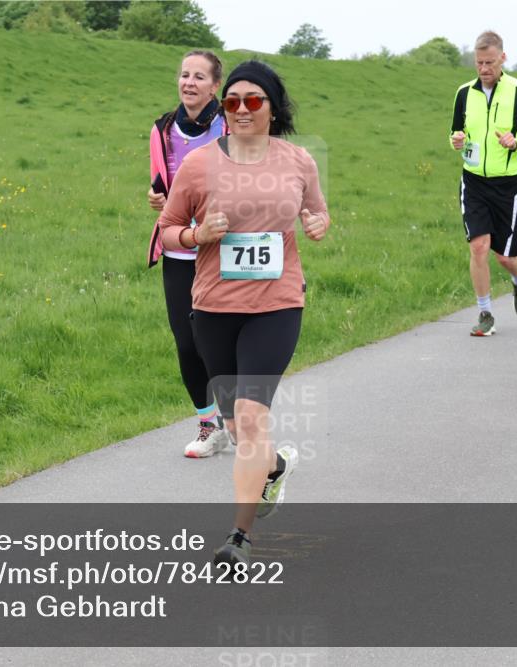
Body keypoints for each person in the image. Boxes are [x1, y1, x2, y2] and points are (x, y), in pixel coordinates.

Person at [157, 60, 330, 566]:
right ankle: (274, 466)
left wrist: (318, 224)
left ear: (273, 108)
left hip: (277, 304)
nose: (241, 109)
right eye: (232, 101)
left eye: (253, 100)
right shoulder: (199, 165)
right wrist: (197, 235)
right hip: (214, 306)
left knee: (253, 417)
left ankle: (239, 537)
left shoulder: (298, 160)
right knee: (237, 428)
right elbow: (167, 230)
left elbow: (317, 210)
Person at [146, 50, 230, 458]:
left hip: (225, 250)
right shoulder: (162, 129)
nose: (189, 83)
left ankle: (238, 417)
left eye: (199, 76)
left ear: (215, 85)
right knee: (186, 343)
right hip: (179, 249)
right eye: (184, 75)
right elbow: (160, 185)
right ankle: (208, 425)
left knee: (219, 341)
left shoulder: (230, 124)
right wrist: (156, 197)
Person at [450, 31, 517, 336]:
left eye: (489, 62)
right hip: (474, 181)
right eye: (479, 63)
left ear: (503, 58)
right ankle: (485, 313)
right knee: (479, 247)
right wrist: (456, 140)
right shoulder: (464, 93)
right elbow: (456, 132)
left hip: (511, 185)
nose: (484, 68)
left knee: (505, 257)